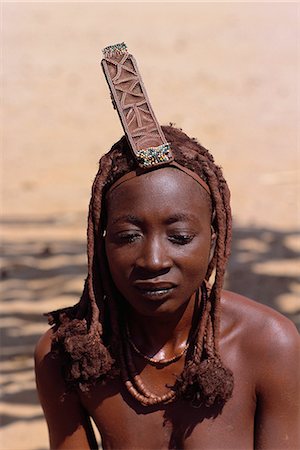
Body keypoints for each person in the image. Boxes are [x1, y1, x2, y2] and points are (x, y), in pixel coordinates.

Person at [35, 44, 300, 450]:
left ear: (216, 239)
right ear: (99, 241)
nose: (154, 260)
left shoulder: (269, 345)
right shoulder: (70, 354)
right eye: (127, 237)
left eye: (179, 237)